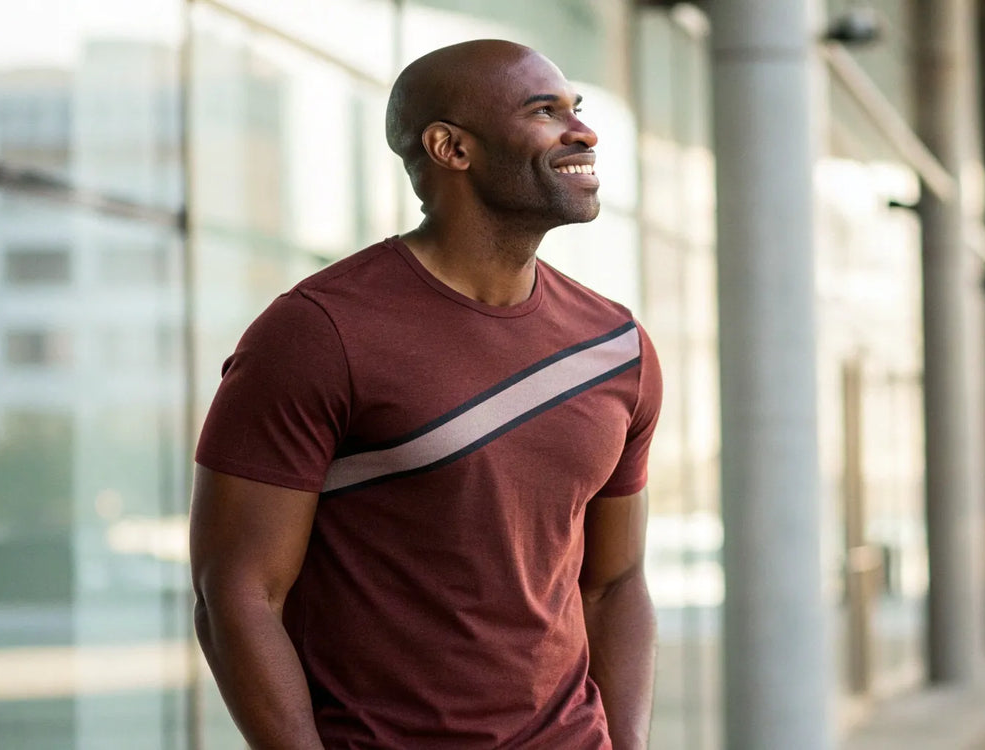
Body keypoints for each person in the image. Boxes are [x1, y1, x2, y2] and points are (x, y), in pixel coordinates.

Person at [188, 39, 661, 750]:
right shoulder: (318, 333)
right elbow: (237, 595)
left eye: (578, 110)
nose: (583, 131)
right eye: (544, 110)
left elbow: (615, 582)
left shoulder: (615, 347)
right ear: (450, 147)